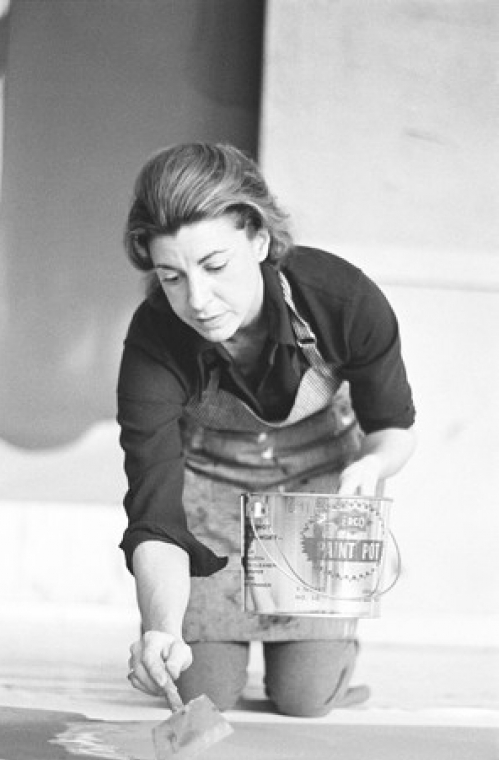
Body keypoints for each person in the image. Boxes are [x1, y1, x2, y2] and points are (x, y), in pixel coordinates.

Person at [117, 142, 416, 717]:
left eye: (214, 266)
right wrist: (160, 630)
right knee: (201, 693)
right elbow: (154, 514)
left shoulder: (343, 300)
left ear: (257, 238)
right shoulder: (153, 340)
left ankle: (326, 653)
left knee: (305, 698)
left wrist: (370, 466)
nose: (197, 301)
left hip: (318, 483)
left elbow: (395, 429)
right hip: (208, 493)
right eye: (171, 276)